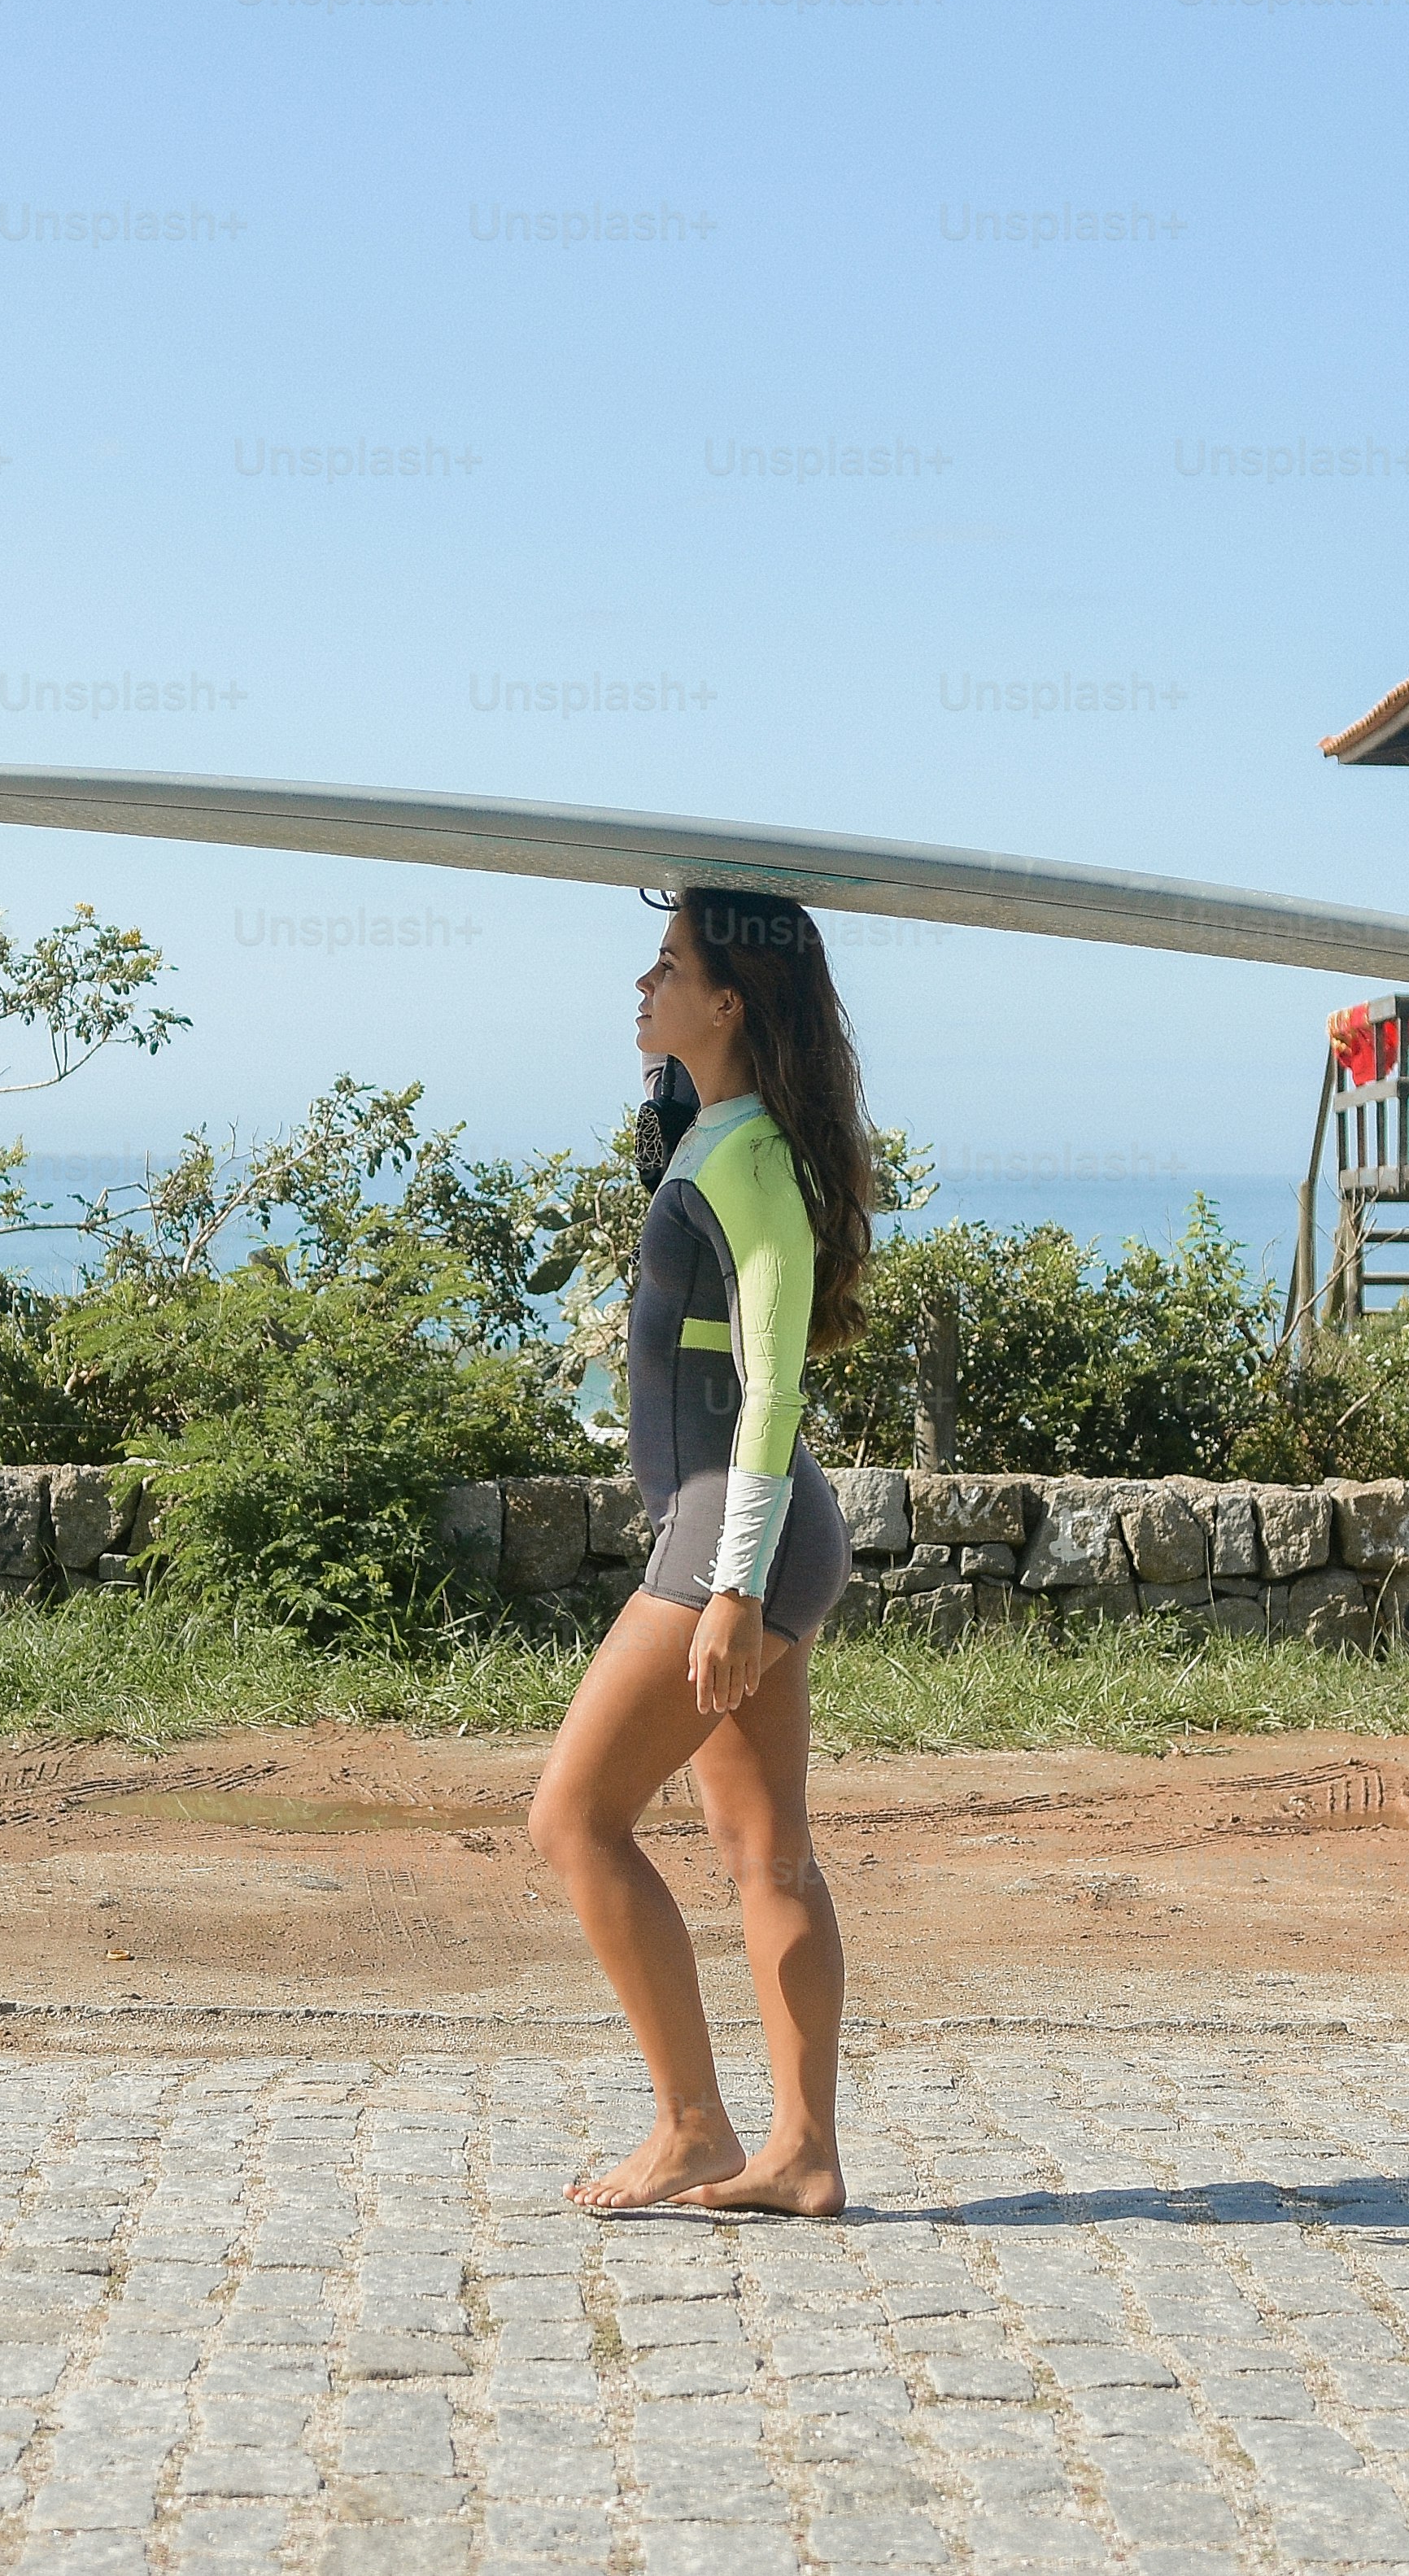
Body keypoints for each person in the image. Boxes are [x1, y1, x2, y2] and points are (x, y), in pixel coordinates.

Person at [532, 887, 875, 2216]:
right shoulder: (714, 1134)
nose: (642, 980)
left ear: (729, 1002)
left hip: (744, 1528)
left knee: (573, 1815)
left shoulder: (753, 1163)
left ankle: (694, 2128)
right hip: (753, 1526)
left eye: (668, 963)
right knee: (768, 1851)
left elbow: (773, 1389)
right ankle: (804, 2154)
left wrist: (730, 1587)